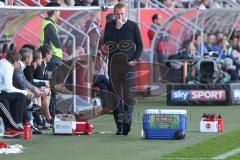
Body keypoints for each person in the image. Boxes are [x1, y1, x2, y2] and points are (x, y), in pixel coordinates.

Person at [104, 3, 143, 135]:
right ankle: (119, 126)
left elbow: (140, 46)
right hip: (113, 65)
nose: (120, 16)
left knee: (128, 95)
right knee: (115, 97)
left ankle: (127, 122)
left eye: (122, 13)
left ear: (126, 13)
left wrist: (135, 59)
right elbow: (108, 44)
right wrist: (116, 28)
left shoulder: (133, 26)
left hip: (128, 65)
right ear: (114, 14)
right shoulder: (110, 25)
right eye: (117, 14)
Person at [0, 51, 32, 130]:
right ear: (15, 61)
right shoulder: (8, 67)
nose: (19, 64)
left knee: (19, 96)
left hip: (2, 92)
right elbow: (8, 88)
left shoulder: (4, 63)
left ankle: (20, 123)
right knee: (21, 96)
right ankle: (17, 124)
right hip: (2, 94)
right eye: (18, 62)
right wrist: (25, 92)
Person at [41, 2, 63, 72]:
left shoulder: (49, 24)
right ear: (55, 11)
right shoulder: (49, 25)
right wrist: (61, 40)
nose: (60, 12)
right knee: (54, 82)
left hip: (52, 57)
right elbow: (58, 44)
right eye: (59, 10)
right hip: (52, 58)